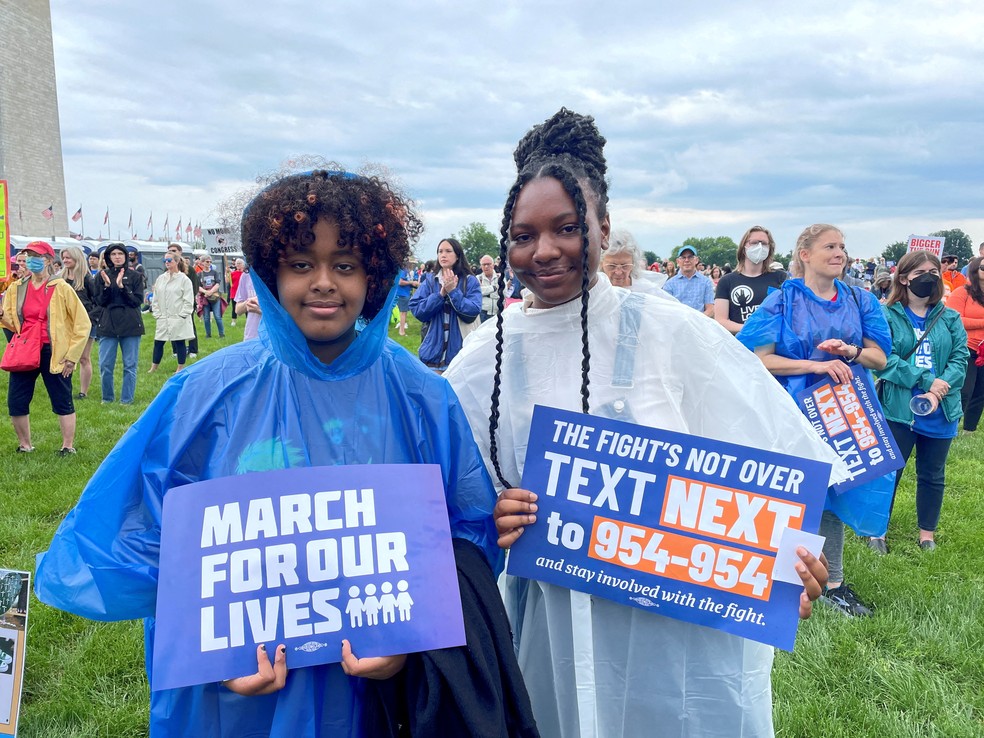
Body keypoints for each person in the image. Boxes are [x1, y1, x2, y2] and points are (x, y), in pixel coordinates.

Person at [35, 168, 535, 738]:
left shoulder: (421, 395)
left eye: (344, 264)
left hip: (375, 695)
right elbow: (145, 536)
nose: (324, 282)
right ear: (271, 273)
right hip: (245, 702)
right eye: (301, 264)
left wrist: (407, 645)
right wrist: (212, 654)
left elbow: (462, 533)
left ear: (374, 275)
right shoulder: (205, 392)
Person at [444, 109, 840, 738]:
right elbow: (452, 503)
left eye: (567, 228)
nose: (544, 250)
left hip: (673, 634)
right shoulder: (484, 357)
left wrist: (792, 559)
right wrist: (498, 513)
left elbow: (773, 468)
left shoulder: (674, 335)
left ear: (604, 228)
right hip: (551, 625)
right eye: (523, 234)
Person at [738, 224, 892, 618]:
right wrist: (813, 364)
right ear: (804, 254)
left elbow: (881, 358)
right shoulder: (782, 301)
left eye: (842, 246)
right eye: (830, 246)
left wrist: (851, 351)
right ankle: (786, 576)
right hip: (792, 409)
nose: (839, 252)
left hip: (845, 409)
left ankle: (835, 582)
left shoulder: (861, 299)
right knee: (795, 488)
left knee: (837, 487)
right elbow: (758, 358)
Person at [868, 251, 967, 553]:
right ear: (903, 278)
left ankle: (927, 535)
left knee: (932, 474)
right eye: (921, 272)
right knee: (889, 472)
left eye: (934, 272)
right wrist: (925, 380)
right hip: (898, 409)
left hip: (941, 409)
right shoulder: (887, 315)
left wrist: (937, 392)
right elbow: (883, 360)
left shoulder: (949, 317)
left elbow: (960, 358)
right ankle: (876, 531)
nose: (929, 277)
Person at [1, 240, 90, 454]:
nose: (31, 260)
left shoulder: (61, 288)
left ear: (49, 260)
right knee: (16, 399)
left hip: (54, 351)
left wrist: (72, 356)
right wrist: (3, 318)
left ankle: (67, 446)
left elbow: (82, 323)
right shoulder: (17, 288)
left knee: (62, 399)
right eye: (28, 256)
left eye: (36, 256)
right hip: (25, 349)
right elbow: (13, 322)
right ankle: (25, 445)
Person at [409, 237, 481, 371]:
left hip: (460, 355)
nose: (443, 255)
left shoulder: (470, 281)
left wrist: (453, 292)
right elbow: (416, 308)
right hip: (432, 355)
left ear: (458, 255)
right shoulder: (431, 281)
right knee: (433, 391)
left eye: (448, 251)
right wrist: (440, 295)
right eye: (440, 251)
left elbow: (474, 309)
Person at [94, 242, 145, 405]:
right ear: (109, 257)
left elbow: (137, 301)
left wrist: (123, 288)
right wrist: (108, 286)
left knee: (130, 365)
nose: (117, 257)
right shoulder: (102, 276)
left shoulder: (135, 276)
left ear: (125, 256)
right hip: (108, 324)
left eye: (120, 254)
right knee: (105, 365)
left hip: (130, 324)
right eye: (113, 254)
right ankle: (107, 398)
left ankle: (126, 399)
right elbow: (99, 301)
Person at [714, 225, 787, 335]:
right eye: (754, 242)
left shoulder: (781, 278)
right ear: (744, 247)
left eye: (764, 243)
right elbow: (721, 320)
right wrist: (750, 328)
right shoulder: (727, 281)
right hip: (740, 344)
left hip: (773, 343)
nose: (759, 246)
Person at [946, 256, 984, 433]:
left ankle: (969, 429)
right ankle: (951, 425)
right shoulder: (962, 293)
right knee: (964, 390)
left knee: (981, 391)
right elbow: (955, 320)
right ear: (975, 271)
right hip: (966, 348)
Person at [58, 246, 99, 398]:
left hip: (85, 324)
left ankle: (83, 391)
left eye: (68, 257)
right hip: (64, 323)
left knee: (83, 358)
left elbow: (98, 302)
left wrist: (89, 319)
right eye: (64, 257)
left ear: (77, 258)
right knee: (63, 356)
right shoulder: (60, 278)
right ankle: (64, 389)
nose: (65, 260)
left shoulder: (87, 279)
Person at [148, 252, 194, 373]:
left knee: (179, 341)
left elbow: (188, 301)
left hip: (178, 316)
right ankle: (154, 367)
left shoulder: (184, 280)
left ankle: (180, 367)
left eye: (169, 260)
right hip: (163, 317)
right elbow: (156, 298)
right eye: (165, 261)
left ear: (177, 261)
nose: (167, 263)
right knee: (158, 342)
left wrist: (182, 315)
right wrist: (157, 314)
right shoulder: (161, 279)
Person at [600, 229, 666, 293]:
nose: (618, 272)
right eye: (612, 266)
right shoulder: (594, 291)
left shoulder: (647, 291)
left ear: (634, 263)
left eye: (625, 266)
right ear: (600, 264)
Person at [663, 244, 714, 315]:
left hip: (700, 323)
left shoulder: (706, 282)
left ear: (696, 260)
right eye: (683, 257)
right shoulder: (669, 284)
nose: (687, 260)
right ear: (678, 261)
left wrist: (697, 322)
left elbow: (710, 309)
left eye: (690, 257)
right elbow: (667, 310)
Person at [168, 243, 199, 358]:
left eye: (174, 250)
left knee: (189, 326)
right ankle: (176, 350)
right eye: (170, 250)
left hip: (186, 303)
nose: (172, 252)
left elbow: (194, 287)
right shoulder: (167, 269)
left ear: (180, 252)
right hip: (172, 304)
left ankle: (193, 350)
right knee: (173, 326)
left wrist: (187, 302)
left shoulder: (189, 269)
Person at [197, 255, 225, 338]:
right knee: (206, 317)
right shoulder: (199, 274)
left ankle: (221, 334)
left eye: (210, 262)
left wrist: (211, 292)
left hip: (215, 297)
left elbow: (217, 283)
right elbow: (198, 286)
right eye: (207, 261)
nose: (209, 263)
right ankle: (208, 334)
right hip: (205, 298)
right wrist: (205, 292)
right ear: (202, 263)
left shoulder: (215, 273)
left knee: (217, 316)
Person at [233, 268, 262, 341]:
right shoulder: (247, 275)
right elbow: (238, 310)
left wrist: (262, 310)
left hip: (275, 340)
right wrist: (248, 302)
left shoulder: (280, 273)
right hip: (251, 337)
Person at [395, 259, 418, 334]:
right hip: (402, 294)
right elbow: (400, 282)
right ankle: (401, 331)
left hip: (406, 293)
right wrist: (411, 282)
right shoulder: (404, 271)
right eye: (412, 263)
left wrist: (412, 284)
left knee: (404, 313)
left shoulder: (407, 271)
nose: (413, 265)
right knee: (403, 313)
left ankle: (401, 328)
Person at [478, 255, 501, 322]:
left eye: (488, 264)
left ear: (493, 265)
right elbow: (478, 292)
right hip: (483, 312)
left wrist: (486, 292)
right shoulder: (477, 278)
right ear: (481, 266)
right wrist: (493, 288)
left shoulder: (500, 278)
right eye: (484, 264)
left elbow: (504, 294)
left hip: (498, 312)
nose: (486, 266)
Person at [228, 258, 245, 327]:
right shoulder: (233, 273)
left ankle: (248, 320)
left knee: (246, 306)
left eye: (239, 263)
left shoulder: (245, 273)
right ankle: (233, 321)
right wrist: (227, 273)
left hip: (243, 292)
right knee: (234, 307)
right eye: (237, 263)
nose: (237, 265)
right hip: (234, 292)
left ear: (243, 265)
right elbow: (227, 281)